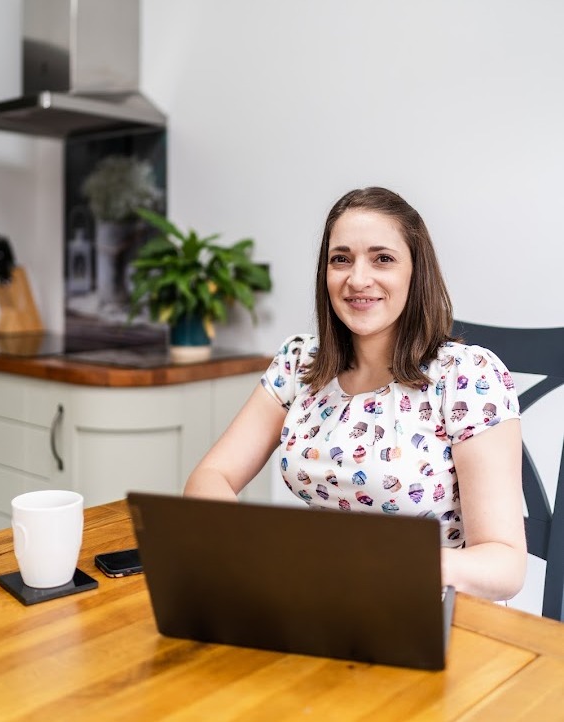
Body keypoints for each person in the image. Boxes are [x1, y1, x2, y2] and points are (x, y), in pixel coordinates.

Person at [184, 187, 526, 602]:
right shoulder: (300, 363)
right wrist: (254, 547)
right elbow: (211, 476)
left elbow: (506, 565)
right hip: (320, 596)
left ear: (416, 272)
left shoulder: (466, 376)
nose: (357, 279)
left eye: (382, 258)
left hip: (429, 608)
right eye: (340, 259)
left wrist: (375, 563)